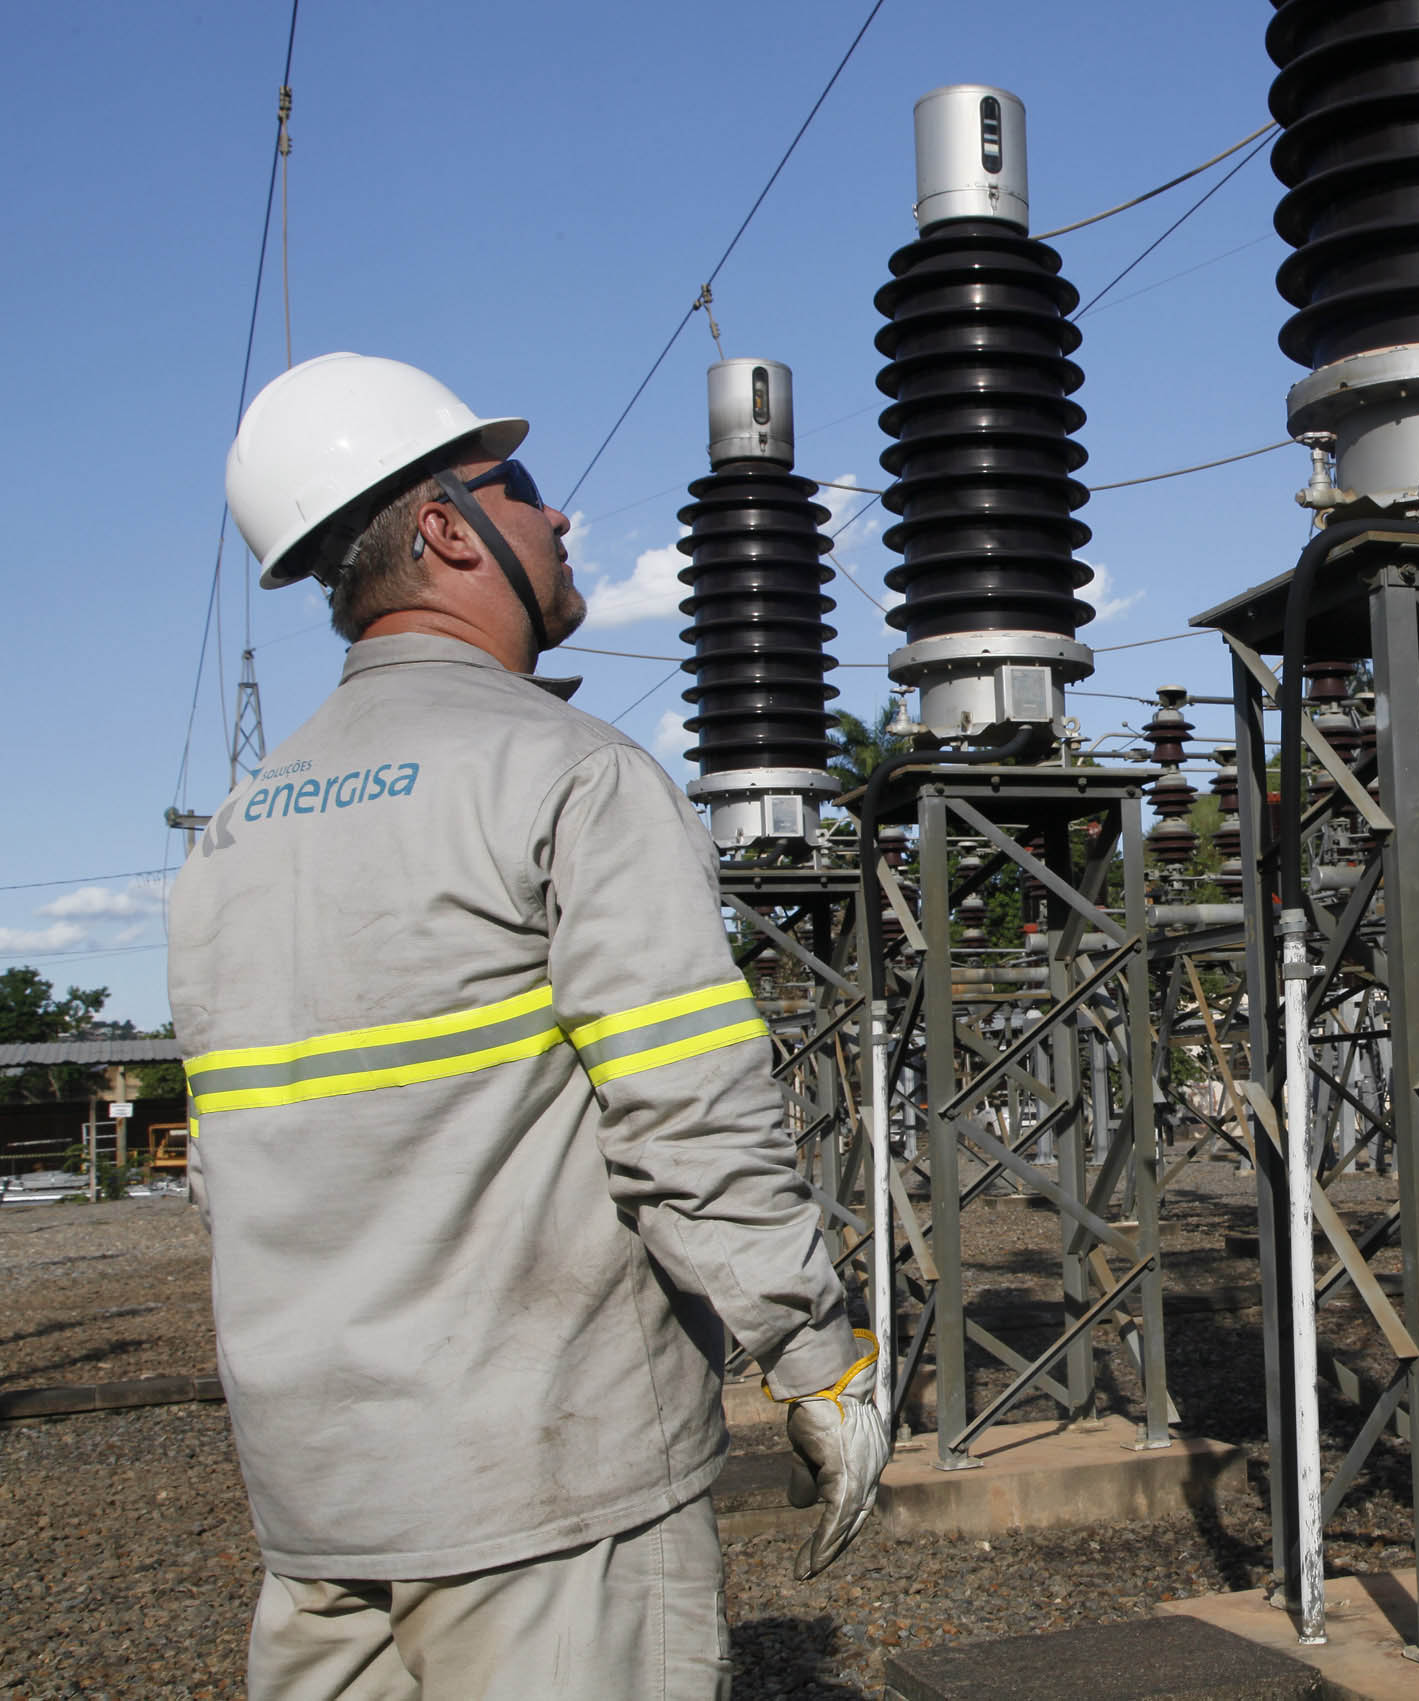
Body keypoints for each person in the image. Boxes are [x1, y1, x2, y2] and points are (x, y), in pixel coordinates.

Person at [169, 352, 889, 1700]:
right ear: (445, 527)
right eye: (527, 489)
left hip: (321, 1510)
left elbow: (235, 1175)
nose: (561, 522)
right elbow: (688, 1116)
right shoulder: (570, 778)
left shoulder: (229, 836)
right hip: (550, 1500)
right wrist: (817, 1349)